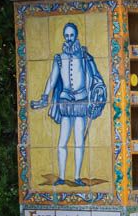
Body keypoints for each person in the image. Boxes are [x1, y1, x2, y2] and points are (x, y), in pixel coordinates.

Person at [29, 22, 106, 187]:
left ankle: (77, 177)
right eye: (67, 36)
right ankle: (62, 177)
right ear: (64, 37)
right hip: (65, 101)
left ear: (76, 35)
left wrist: (97, 95)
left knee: (79, 140)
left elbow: (96, 77)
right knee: (62, 141)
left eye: (72, 35)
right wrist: (44, 95)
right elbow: (52, 79)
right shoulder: (59, 58)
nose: (69, 39)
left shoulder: (85, 57)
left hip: (81, 100)